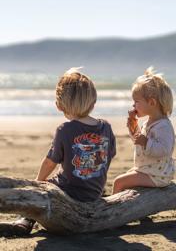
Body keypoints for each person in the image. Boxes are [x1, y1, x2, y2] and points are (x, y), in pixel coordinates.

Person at [10, 67, 116, 235]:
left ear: (59, 104)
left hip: (68, 191)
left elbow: (50, 162)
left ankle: (25, 219)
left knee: (40, 191)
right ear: (93, 102)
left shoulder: (65, 129)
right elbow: (108, 158)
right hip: (94, 192)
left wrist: (38, 181)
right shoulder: (106, 127)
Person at [112, 67, 175, 194]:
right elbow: (138, 140)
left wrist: (146, 142)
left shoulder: (163, 126)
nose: (133, 105)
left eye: (136, 101)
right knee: (126, 179)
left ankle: (112, 210)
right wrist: (133, 125)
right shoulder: (149, 122)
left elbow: (164, 149)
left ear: (151, 102)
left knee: (119, 182)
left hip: (158, 175)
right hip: (147, 169)